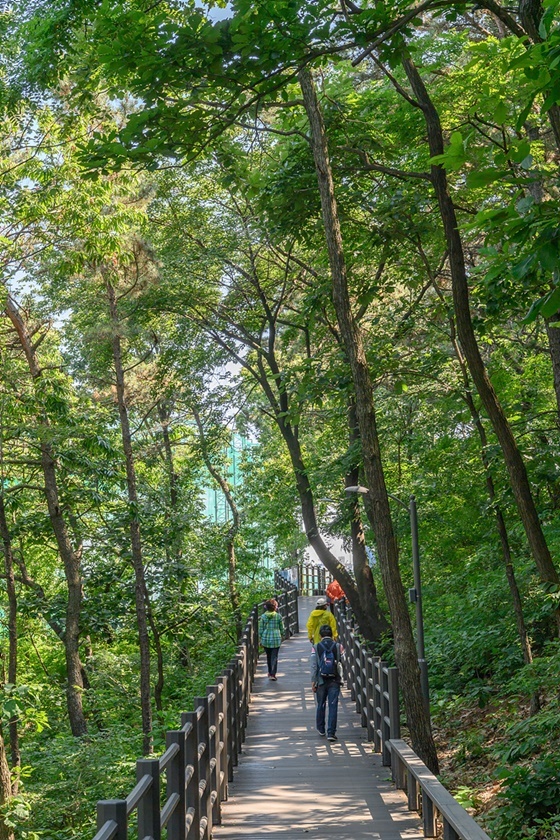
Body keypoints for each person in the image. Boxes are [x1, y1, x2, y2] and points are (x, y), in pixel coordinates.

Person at [311, 624, 342, 741]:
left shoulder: (316, 647)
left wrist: (313, 681)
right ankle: (331, 732)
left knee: (321, 704)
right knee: (333, 705)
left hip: (321, 680)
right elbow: (341, 662)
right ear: (332, 634)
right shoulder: (338, 646)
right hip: (334, 679)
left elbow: (314, 666)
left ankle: (321, 728)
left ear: (320, 635)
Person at [259, 599, 284, 680]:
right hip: (276, 638)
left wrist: (260, 638)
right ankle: (273, 674)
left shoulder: (263, 617)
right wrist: (282, 634)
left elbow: (261, 629)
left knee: (268, 656)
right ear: (275, 607)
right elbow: (282, 628)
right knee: (274, 657)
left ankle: (270, 672)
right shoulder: (278, 616)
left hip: (266, 638)